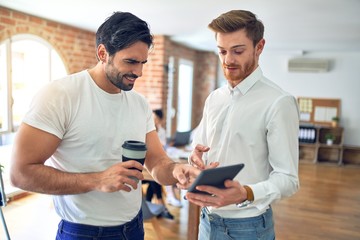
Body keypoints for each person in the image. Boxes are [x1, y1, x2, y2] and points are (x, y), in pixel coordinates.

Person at [10, 11, 199, 240]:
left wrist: (176, 171)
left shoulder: (139, 104)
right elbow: (20, 173)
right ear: (103, 53)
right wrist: (96, 180)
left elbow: (157, 162)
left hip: (134, 227)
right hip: (82, 232)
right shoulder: (59, 96)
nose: (138, 72)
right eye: (130, 62)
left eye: (142, 63)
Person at [185, 10, 300, 240]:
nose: (228, 60)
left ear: (259, 47)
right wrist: (195, 157)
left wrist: (246, 193)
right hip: (207, 221)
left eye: (238, 51)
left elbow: (288, 179)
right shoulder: (214, 98)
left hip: (248, 228)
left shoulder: (279, 102)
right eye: (222, 51)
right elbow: (200, 146)